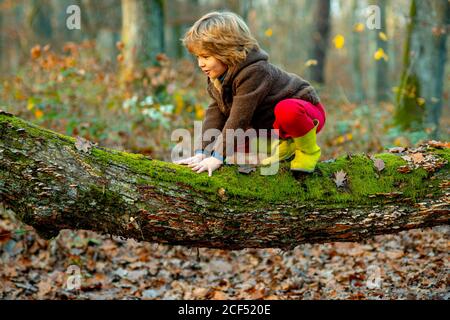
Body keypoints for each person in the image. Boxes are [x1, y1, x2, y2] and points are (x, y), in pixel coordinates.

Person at [174, 11, 326, 176]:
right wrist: (203, 152)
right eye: (197, 57)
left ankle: (308, 151)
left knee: (286, 110)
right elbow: (216, 113)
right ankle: (287, 145)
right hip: (274, 126)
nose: (200, 63)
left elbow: (239, 116)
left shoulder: (254, 71)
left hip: (306, 114)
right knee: (238, 144)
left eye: (206, 56)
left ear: (227, 51)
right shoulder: (217, 77)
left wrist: (217, 156)